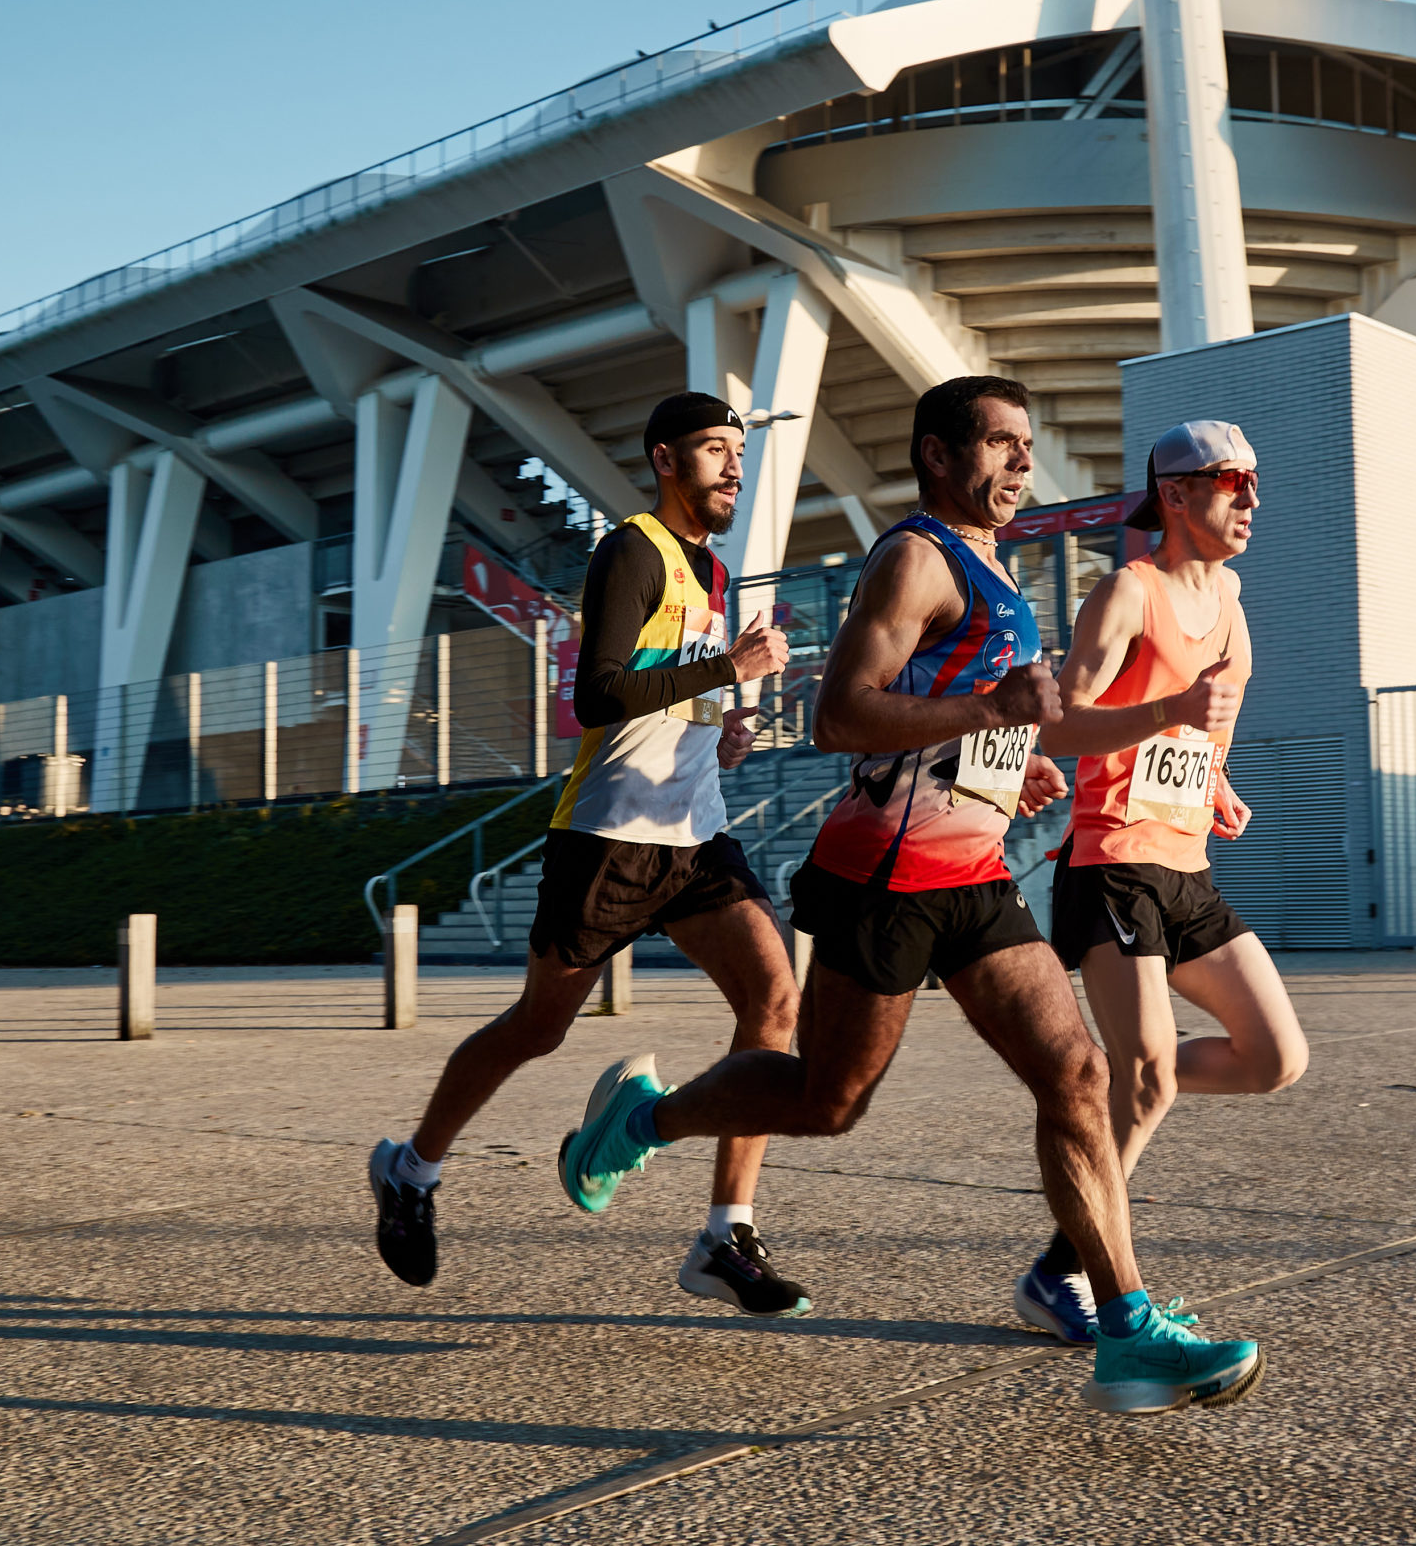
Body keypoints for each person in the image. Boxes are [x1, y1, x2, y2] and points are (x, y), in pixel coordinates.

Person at [553, 376, 1263, 1416]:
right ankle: (645, 1119)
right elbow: (841, 715)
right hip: (878, 879)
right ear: (939, 455)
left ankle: (1128, 1332)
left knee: (1075, 1074)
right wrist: (987, 707)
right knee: (825, 1101)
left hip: (970, 870)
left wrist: (1025, 751)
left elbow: (996, 720)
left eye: (1027, 445)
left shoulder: (993, 570)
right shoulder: (915, 559)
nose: (1024, 462)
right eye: (1002, 445)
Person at [368, 391, 813, 1316]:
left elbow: (671, 696)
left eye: (738, 450)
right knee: (538, 1026)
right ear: (664, 460)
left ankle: (726, 1231)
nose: (734, 465)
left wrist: (720, 730)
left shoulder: (713, 575)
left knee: (775, 999)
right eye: (712, 451)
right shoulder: (632, 550)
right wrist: (730, 671)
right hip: (607, 834)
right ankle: (411, 1171)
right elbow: (600, 695)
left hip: (694, 831)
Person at [1011, 421, 1307, 1345]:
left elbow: (1202, 739)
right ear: (1174, 496)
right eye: (1230, 482)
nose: (1250, 499)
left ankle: (1107, 1097)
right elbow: (1061, 728)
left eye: (1255, 481)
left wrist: (1217, 783)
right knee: (1146, 1076)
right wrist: (1167, 710)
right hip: (1112, 869)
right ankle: (1064, 1271)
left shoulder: (1234, 606)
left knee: (1273, 1058)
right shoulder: (1125, 594)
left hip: (1189, 874)